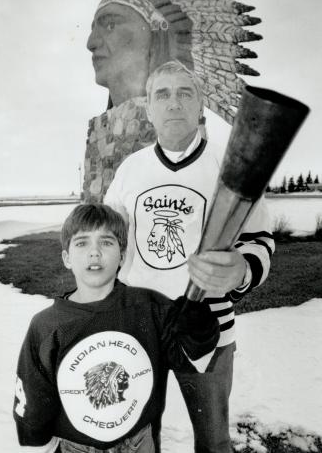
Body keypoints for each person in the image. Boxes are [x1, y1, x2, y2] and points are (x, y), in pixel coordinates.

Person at [104, 61, 275, 453]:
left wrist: (241, 270)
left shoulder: (232, 165)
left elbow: (259, 239)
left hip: (207, 328)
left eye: (185, 93)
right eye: (162, 95)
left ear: (200, 105)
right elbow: (109, 244)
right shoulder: (130, 170)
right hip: (139, 325)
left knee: (214, 442)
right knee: (138, 440)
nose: (174, 103)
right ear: (149, 108)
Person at [13, 204, 220, 453]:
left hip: (138, 442)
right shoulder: (47, 325)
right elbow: (33, 394)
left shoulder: (150, 307)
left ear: (122, 255)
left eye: (107, 242)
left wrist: (198, 325)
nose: (95, 252)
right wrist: (36, 436)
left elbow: (189, 355)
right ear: (67, 258)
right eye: (81, 243)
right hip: (74, 446)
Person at [83, 0, 262, 201]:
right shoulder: (112, 142)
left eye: (110, 25)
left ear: (156, 33)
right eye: (93, 29)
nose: (91, 43)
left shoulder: (208, 163)